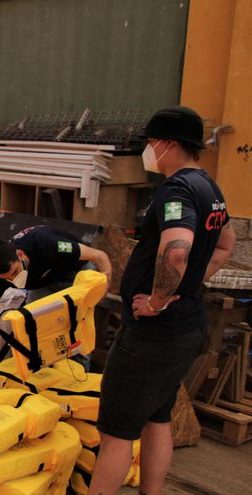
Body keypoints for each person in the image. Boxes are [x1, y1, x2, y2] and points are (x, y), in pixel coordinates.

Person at [90, 106, 235, 494]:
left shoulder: (177, 189)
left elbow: (175, 250)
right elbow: (225, 244)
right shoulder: (210, 187)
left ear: (169, 144)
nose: (148, 150)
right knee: (158, 417)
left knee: (117, 433)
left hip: (154, 336)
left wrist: (157, 300)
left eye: (151, 143)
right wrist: (186, 288)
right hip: (186, 327)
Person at [0, 225, 113, 365]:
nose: (14, 280)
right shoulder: (1, 278)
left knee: (76, 326)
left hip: (74, 272)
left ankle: (79, 375)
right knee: (30, 325)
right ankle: (41, 371)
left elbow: (99, 256)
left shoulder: (51, 244)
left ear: (19, 254)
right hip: (43, 282)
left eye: (15, 273)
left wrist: (104, 285)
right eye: (8, 279)